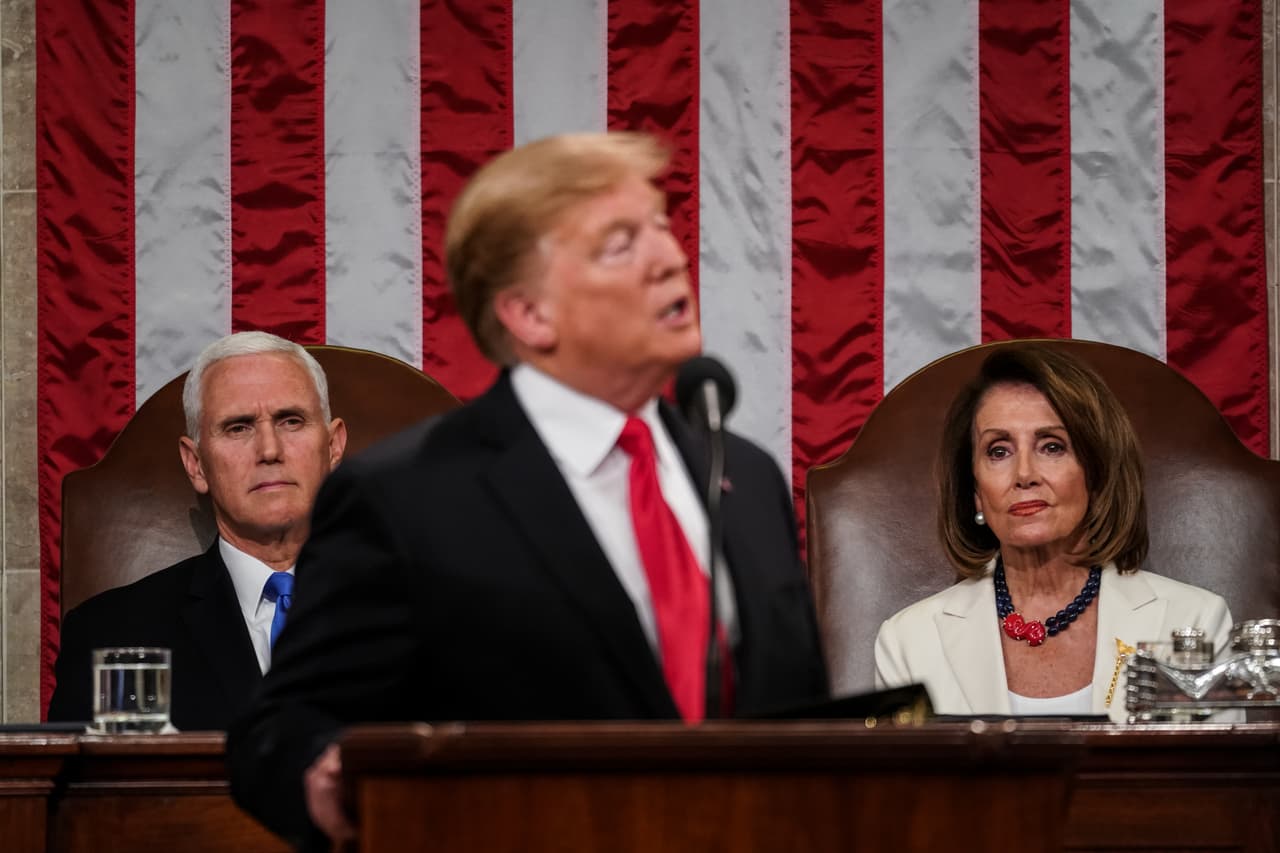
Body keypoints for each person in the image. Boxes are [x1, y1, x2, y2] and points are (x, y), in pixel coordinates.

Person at [228, 132, 829, 848]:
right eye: (620, 243)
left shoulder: (747, 476)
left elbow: (799, 721)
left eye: (663, 228)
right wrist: (327, 774)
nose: (670, 258)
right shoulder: (406, 497)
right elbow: (280, 731)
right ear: (528, 313)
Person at [874, 345, 1232, 721]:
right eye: (998, 451)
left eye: (1052, 446)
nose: (1025, 474)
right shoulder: (908, 643)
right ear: (976, 492)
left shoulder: (1196, 623)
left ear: (1096, 474)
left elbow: (1208, 778)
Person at [47, 332, 348, 730]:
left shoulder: (422, 611)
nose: (270, 449)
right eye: (238, 428)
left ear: (332, 447)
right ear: (196, 465)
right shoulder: (109, 634)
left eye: (291, 421)